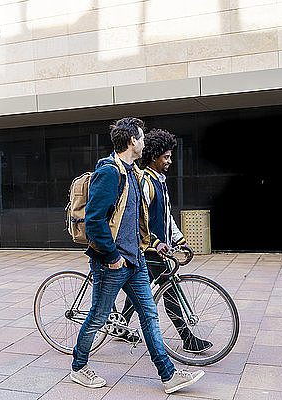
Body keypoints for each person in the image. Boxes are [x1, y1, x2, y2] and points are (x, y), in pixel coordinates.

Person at [70, 117, 204, 394]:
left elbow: (135, 221)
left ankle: (168, 375)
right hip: (113, 263)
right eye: (142, 138)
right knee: (98, 315)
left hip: (136, 260)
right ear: (133, 141)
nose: (144, 142)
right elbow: (95, 221)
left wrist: (153, 243)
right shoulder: (109, 172)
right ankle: (79, 367)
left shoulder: (131, 172)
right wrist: (111, 257)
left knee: (150, 316)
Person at [120, 128, 213, 353]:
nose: (170, 161)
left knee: (138, 290)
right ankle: (187, 338)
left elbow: (166, 216)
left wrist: (179, 240)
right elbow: (135, 218)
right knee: (169, 290)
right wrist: (154, 241)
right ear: (154, 156)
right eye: (166, 157)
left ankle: (121, 324)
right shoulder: (145, 182)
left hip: (156, 250)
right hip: (148, 249)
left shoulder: (160, 182)